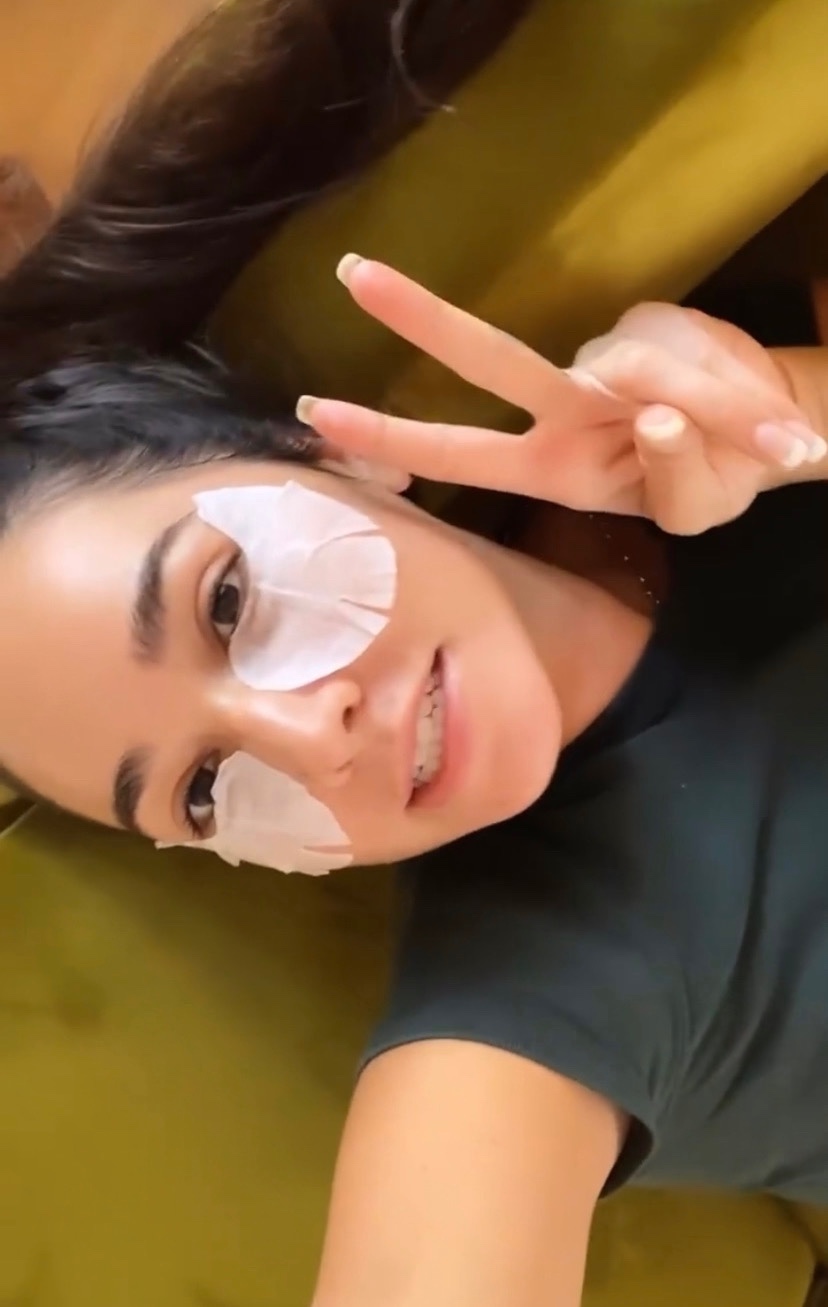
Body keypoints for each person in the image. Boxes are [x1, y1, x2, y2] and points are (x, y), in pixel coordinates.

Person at [3, 1, 828, 1302]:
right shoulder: (527, 997)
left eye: (228, 603)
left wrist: (796, 410)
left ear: (330, 455)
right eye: (203, 790)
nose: (306, 739)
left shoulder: (711, 366)